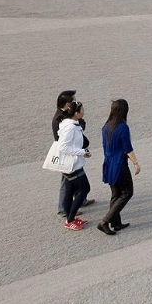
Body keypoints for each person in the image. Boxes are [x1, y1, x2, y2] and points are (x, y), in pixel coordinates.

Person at [97, 99, 140, 236]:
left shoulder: (106, 126)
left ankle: (115, 223)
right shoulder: (123, 127)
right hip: (119, 164)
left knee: (115, 194)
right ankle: (105, 221)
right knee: (127, 192)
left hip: (108, 163)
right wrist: (136, 163)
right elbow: (128, 148)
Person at [52, 90, 94, 218]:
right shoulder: (62, 119)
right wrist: (81, 151)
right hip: (69, 156)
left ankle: (77, 203)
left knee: (73, 184)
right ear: (66, 104)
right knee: (70, 184)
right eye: (72, 101)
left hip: (73, 155)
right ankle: (65, 210)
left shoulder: (66, 115)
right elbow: (62, 143)